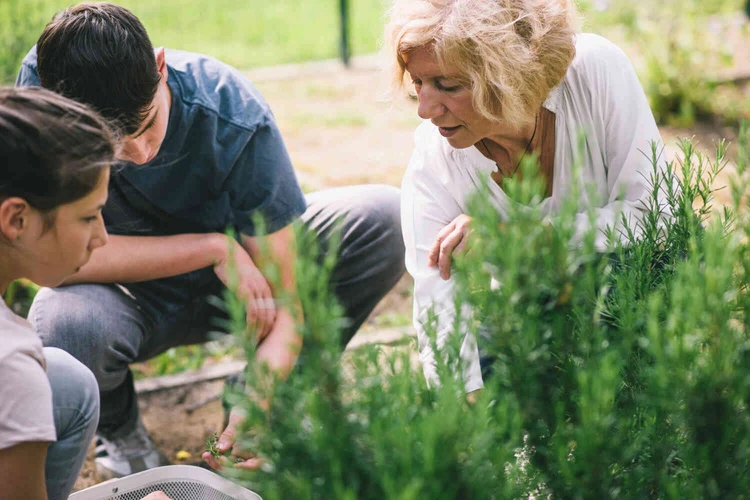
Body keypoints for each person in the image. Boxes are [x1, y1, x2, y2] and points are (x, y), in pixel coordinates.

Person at [16, 1, 405, 479]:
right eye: (111, 145)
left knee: (384, 217)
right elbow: (49, 261)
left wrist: (257, 398)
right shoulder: (44, 91)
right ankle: (121, 434)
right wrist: (212, 248)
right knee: (60, 320)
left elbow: (288, 303)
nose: (139, 153)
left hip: (247, 284)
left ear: (160, 67)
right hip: (126, 294)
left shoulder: (230, 109)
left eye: (147, 124)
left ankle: (275, 401)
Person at [385, 0, 669, 393]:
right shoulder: (434, 157)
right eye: (418, 83)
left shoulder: (596, 71)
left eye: (448, 86)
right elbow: (437, 299)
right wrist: (462, 400)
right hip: (530, 311)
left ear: (510, 75)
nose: (425, 109)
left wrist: (522, 238)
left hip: (636, 292)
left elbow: (655, 215)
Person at [0, 86, 171, 500]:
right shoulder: (11, 367)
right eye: (89, 217)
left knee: (64, 380)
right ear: (17, 219)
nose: (102, 238)